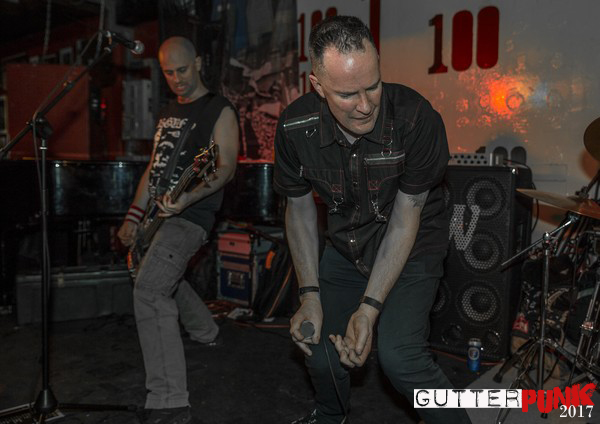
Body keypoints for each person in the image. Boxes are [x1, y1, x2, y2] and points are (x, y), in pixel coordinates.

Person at [274, 16, 471, 424]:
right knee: (320, 350)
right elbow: (300, 210)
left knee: (400, 358)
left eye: (373, 86)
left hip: (413, 244)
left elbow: (405, 218)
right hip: (347, 244)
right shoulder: (294, 127)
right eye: (347, 94)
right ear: (317, 86)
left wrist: (368, 309)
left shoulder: (416, 118)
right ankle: (331, 415)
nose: (365, 105)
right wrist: (309, 295)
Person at [117, 36, 239, 424]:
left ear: (199, 62)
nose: (176, 78)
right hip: (157, 213)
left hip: (190, 217)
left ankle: (169, 400)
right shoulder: (169, 111)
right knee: (154, 271)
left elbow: (225, 167)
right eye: (168, 72)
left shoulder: (219, 109)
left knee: (150, 290)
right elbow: (153, 169)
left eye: (182, 69)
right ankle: (205, 330)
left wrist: (188, 198)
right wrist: (134, 216)